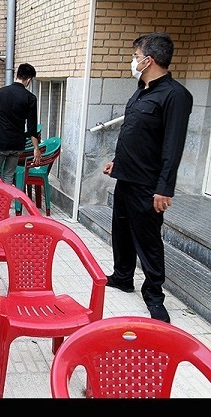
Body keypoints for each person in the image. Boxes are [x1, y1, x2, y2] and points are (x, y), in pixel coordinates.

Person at [103, 33, 193, 324]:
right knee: (121, 230)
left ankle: (154, 295)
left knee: (148, 241)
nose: (134, 61)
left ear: (149, 60)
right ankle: (122, 276)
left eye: (136, 56)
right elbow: (135, 133)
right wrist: (117, 162)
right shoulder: (141, 90)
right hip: (126, 177)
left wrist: (164, 188)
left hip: (148, 184)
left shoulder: (175, 96)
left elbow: (172, 145)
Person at [0, 63, 41, 185]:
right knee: (9, 175)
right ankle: (7, 196)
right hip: (17, 144)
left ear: (17, 75)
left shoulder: (1, 92)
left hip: (1, 141)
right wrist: (36, 148)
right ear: (29, 80)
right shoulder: (30, 98)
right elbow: (32, 127)